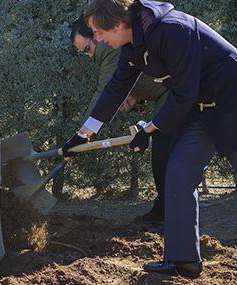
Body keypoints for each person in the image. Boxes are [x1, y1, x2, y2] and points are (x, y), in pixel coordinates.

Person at [62, 0, 237, 283]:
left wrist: (150, 129)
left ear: (117, 24)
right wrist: (84, 134)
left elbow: (184, 92)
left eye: (98, 32)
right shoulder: (132, 46)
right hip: (201, 107)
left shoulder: (172, 30)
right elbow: (116, 87)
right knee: (178, 172)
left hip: (234, 103)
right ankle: (183, 260)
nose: (98, 39)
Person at [70, 15, 173, 222]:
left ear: (98, 35)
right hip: (167, 95)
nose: (89, 56)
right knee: (163, 156)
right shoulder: (115, 49)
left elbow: (105, 93)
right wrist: (134, 94)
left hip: (174, 96)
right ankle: (164, 210)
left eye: (88, 49)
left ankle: (166, 213)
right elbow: (132, 79)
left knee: (165, 155)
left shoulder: (109, 50)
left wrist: (80, 136)